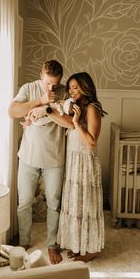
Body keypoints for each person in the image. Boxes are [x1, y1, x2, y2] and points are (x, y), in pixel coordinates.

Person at [8, 60, 73, 265]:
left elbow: (70, 124)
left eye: (55, 84)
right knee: (24, 202)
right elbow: (12, 111)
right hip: (28, 157)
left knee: (54, 204)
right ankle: (25, 241)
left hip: (54, 159)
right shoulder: (29, 88)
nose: (51, 88)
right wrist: (40, 101)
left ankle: (52, 244)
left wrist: (47, 110)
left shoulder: (66, 93)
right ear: (40, 76)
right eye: (47, 83)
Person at [57, 72, 107, 262]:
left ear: (86, 87)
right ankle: (80, 245)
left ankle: (91, 249)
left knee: (87, 206)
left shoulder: (92, 108)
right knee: (77, 205)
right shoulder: (78, 107)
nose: (72, 91)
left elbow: (91, 142)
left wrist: (77, 124)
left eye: (76, 87)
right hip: (74, 162)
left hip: (85, 162)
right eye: (70, 88)